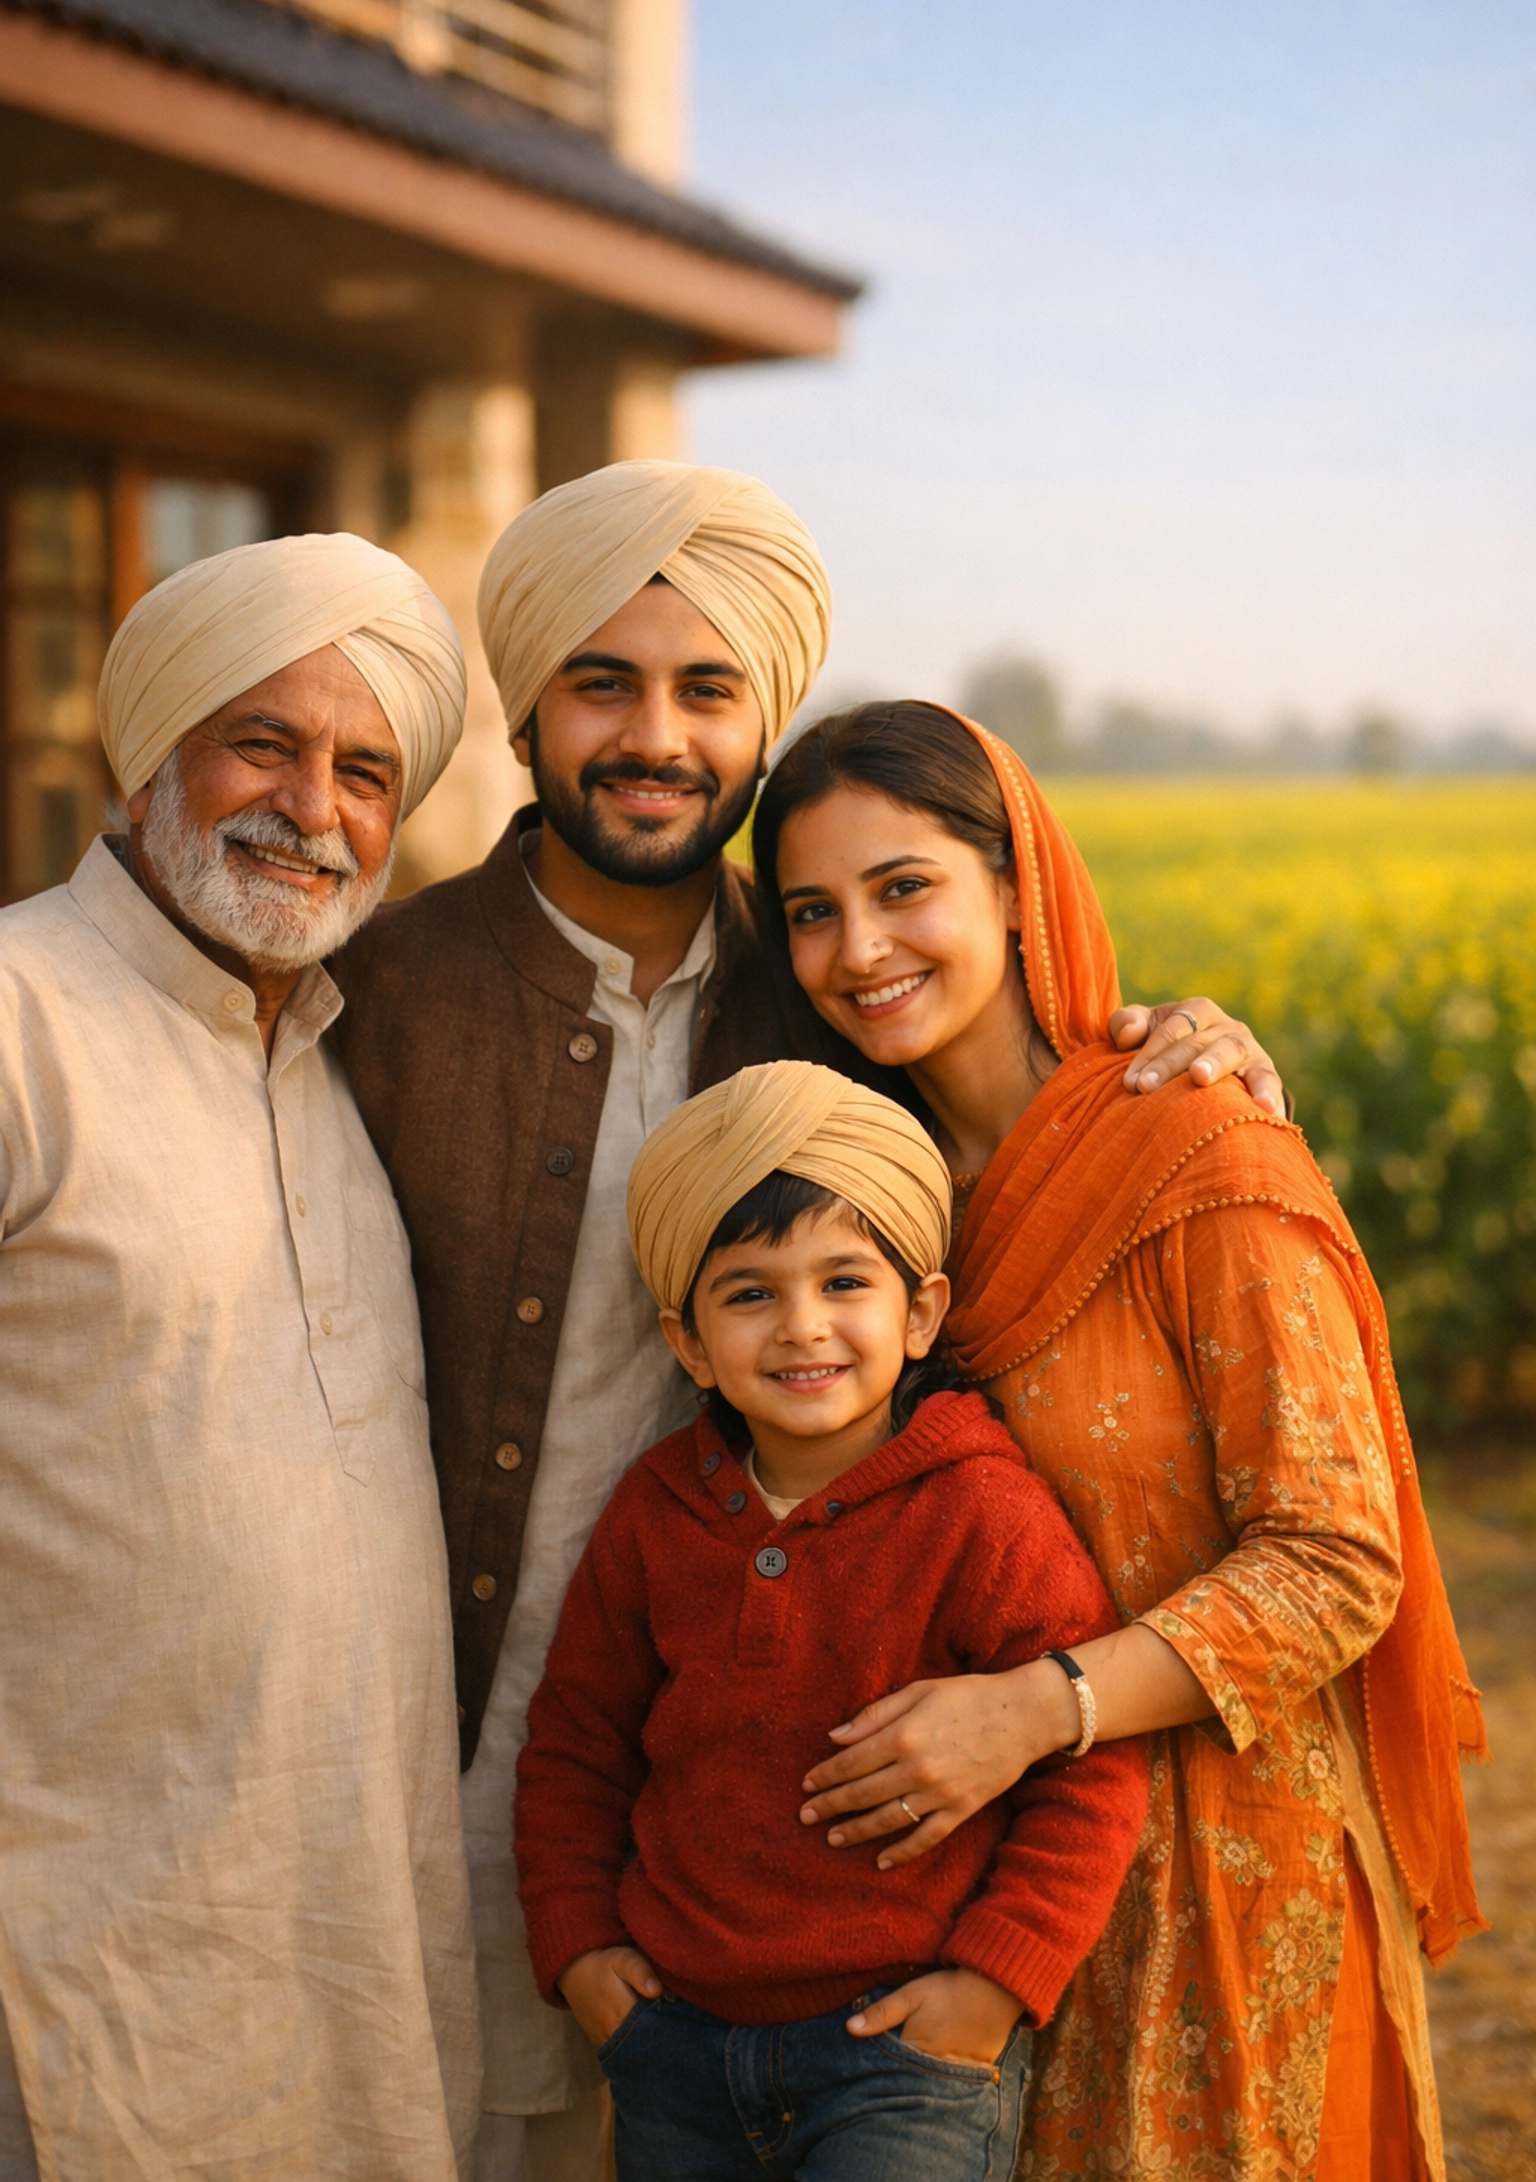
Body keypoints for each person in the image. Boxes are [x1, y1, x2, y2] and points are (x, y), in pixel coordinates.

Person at [327, 458, 1286, 2182]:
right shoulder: (376, 989)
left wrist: (1183, 1034)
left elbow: (1018, 1103)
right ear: (529, 704)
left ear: (759, 718)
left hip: (806, 1842)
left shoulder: (835, 989)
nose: (653, 735)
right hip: (432, 1751)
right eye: (602, 680)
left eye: (708, 690)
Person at [748, 699, 1487, 2182]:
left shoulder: (1195, 1144)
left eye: (905, 889)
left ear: (1016, 881)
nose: (860, 951)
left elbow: (1340, 1556)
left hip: (1225, 1875)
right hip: (965, 1898)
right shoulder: (853, 1207)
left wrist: (1035, 1709)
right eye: (813, 914)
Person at [0, 535, 481, 2180]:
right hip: (76, 1971)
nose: (315, 808)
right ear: (155, 755)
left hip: (351, 1953)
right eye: (263, 742)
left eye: (365, 769)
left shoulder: (344, 1060)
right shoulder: (15, 1018)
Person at [515, 1061, 1151, 2182]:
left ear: (921, 1315)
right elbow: (576, 1743)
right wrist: (577, 1948)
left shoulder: (982, 1511)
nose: (802, 1328)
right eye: (750, 1293)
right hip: (675, 2043)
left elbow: (1089, 1772)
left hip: (903, 2056)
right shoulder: (654, 1514)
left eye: (844, 1282)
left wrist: (996, 1984)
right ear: (689, 1343)